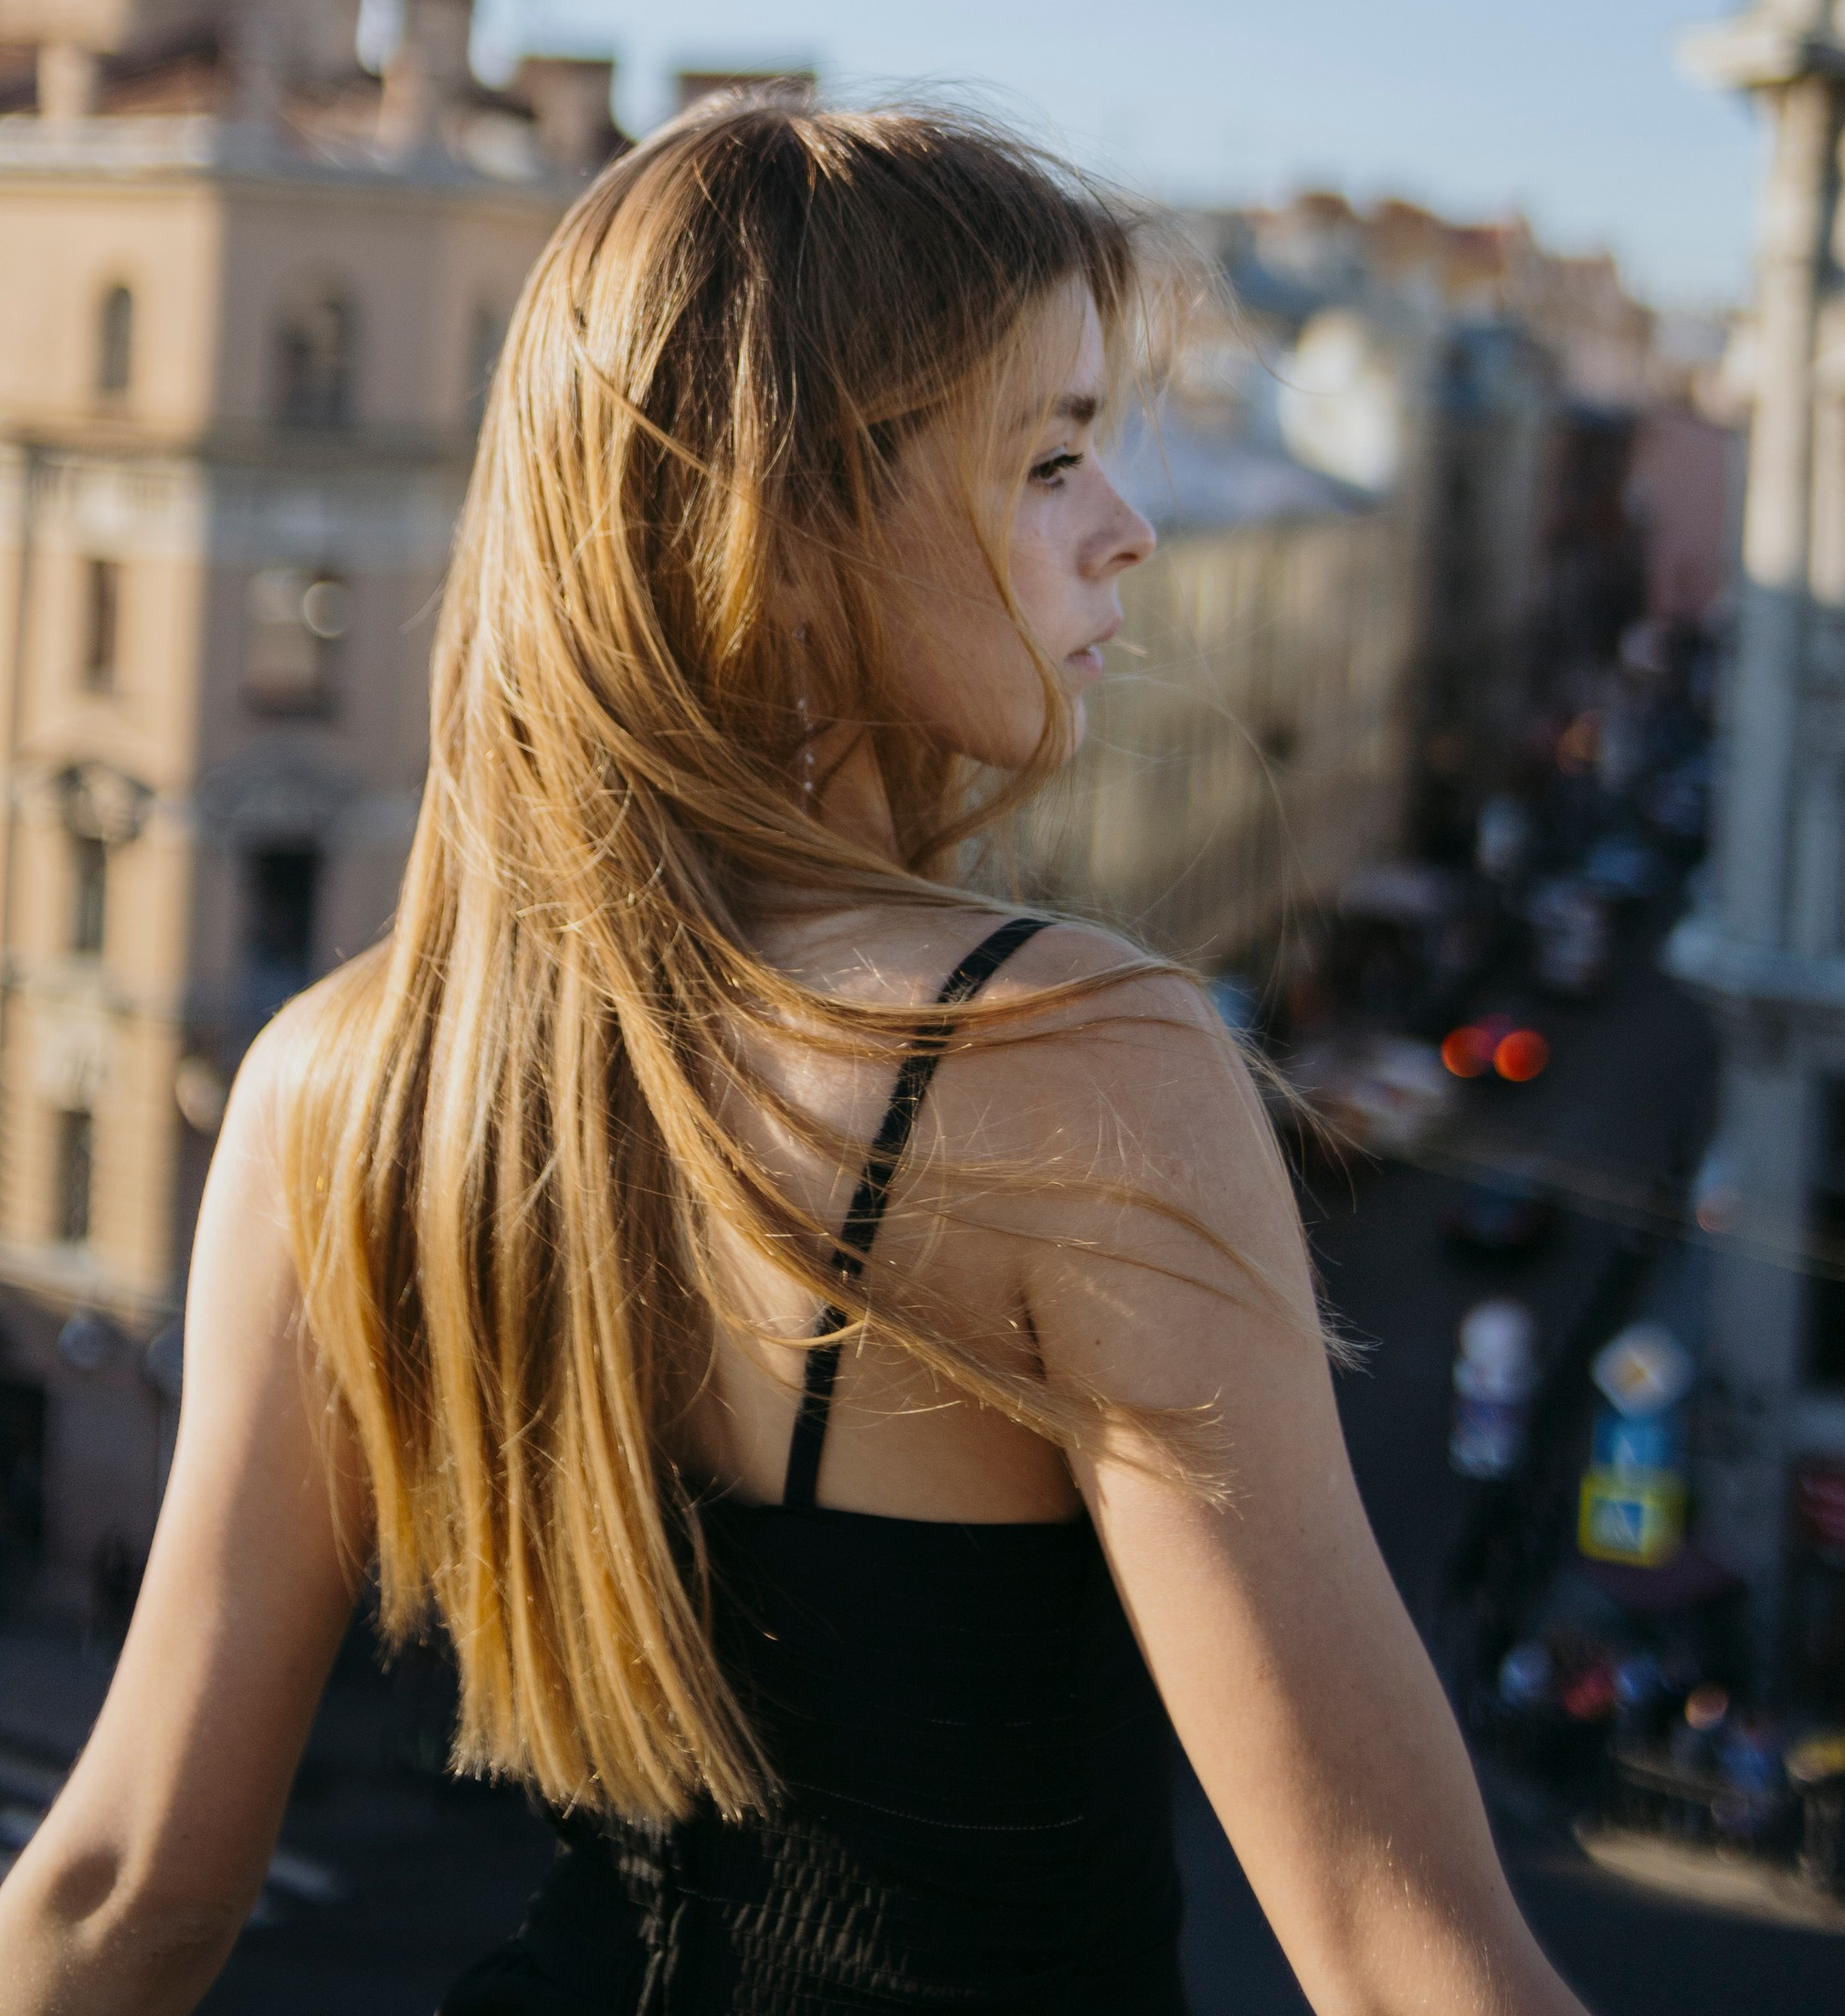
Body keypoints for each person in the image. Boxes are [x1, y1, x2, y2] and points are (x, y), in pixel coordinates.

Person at [0, 101, 1586, 2016]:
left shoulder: (334, 1087)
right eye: (1056, 458)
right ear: (801, 522)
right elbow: (1404, 1956)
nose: (1129, 529)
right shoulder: (1078, 1067)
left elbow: (120, 1888)